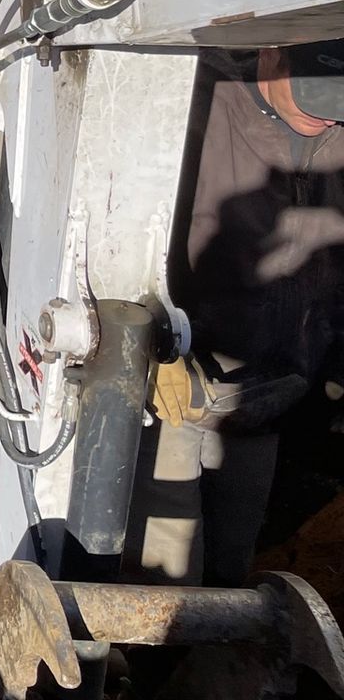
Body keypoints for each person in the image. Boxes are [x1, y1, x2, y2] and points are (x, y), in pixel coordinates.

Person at [134, 42, 344, 585]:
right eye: (316, 92)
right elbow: (129, 223)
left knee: (232, 569)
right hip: (183, 395)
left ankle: (200, 668)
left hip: (270, 401)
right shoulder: (201, 106)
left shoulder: (336, 127)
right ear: (273, 56)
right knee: (170, 575)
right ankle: (145, 663)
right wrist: (151, 334)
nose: (326, 112)